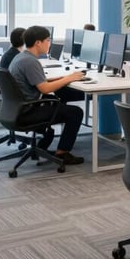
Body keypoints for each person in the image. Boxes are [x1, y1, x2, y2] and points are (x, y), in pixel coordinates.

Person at [8, 25, 85, 165]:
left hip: (16, 109)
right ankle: (62, 152)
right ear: (38, 42)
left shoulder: (21, 57)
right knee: (76, 112)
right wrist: (68, 79)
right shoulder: (29, 61)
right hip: (28, 112)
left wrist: (64, 77)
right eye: (48, 40)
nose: (49, 43)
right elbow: (44, 88)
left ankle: (48, 142)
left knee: (60, 100)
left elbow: (38, 81)